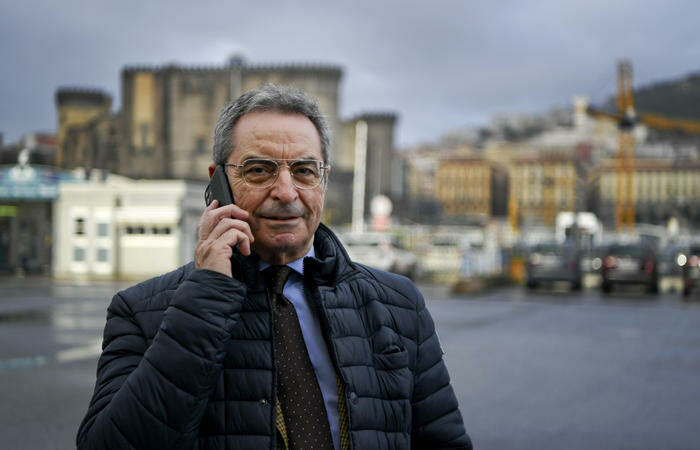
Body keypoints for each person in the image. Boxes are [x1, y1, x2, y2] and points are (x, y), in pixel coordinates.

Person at [77, 84, 471, 450]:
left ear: (323, 181)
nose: (286, 192)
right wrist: (204, 300)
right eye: (259, 170)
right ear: (218, 183)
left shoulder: (398, 304)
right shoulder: (142, 311)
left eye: (304, 171)